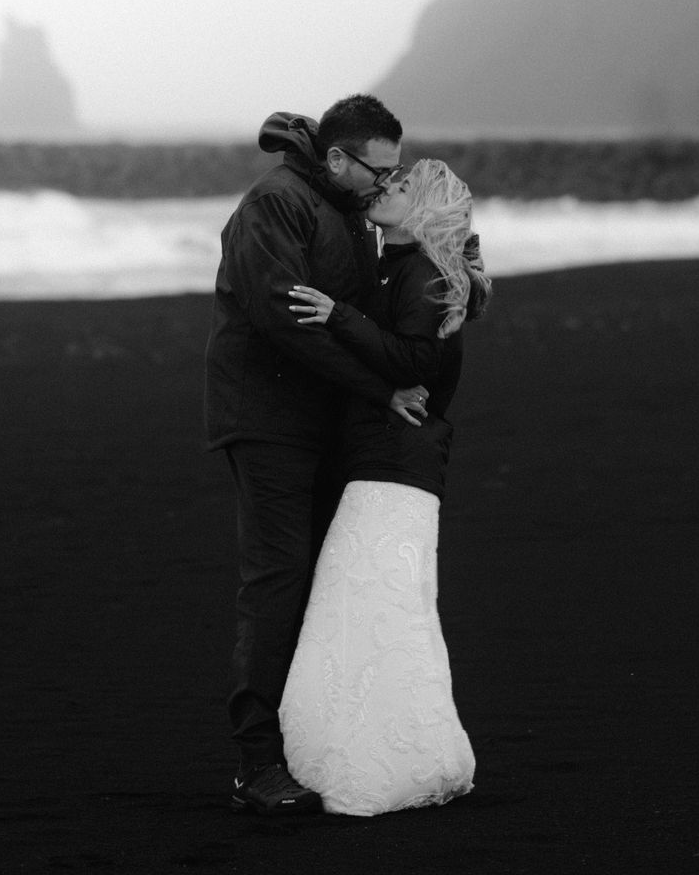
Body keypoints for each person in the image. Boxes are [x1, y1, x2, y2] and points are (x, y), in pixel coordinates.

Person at [204, 95, 429, 816]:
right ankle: (257, 765)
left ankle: (307, 747)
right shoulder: (275, 204)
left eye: (395, 172)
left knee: (322, 584)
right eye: (377, 170)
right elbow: (282, 321)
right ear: (337, 159)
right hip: (265, 419)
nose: (384, 184)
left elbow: (358, 316)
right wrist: (380, 389)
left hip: (326, 419)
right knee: (278, 581)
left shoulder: (345, 212)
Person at [277, 159, 490, 815]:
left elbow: (415, 362)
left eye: (398, 187)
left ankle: (384, 767)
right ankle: (415, 756)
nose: (383, 188)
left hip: (396, 467)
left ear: (420, 208)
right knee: (381, 613)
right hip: (387, 464)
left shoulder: (423, 275)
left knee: (378, 613)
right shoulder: (405, 267)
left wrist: (336, 314)